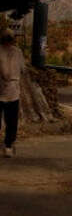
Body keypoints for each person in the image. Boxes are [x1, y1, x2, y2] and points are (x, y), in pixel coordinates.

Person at [0, 28, 26, 158]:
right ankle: (8, 146)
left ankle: (7, 145)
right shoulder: (18, 52)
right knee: (11, 122)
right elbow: (23, 69)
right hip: (13, 91)